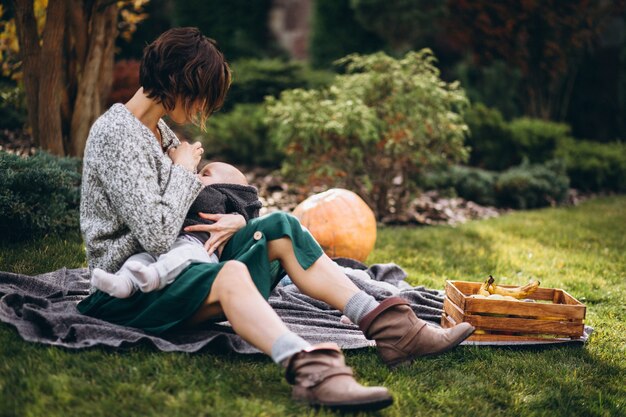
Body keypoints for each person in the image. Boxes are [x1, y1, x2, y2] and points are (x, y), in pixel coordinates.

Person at [76, 27, 474, 412]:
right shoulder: (117, 135)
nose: (200, 113)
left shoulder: (160, 129)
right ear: (179, 82)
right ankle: (311, 368)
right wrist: (182, 169)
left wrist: (236, 222)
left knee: (280, 227)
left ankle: (394, 330)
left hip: (185, 267)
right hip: (129, 294)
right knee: (232, 274)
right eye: (201, 99)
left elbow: (183, 209)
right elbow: (159, 235)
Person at [90, 162, 261, 298]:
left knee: (182, 257)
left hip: (199, 249)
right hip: (167, 243)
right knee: (140, 259)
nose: (195, 176)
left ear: (227, 189)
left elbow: (250, 209)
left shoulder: (214, 196)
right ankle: (123, 283)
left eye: (205, 174)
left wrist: (181, 175)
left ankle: (155, 276)